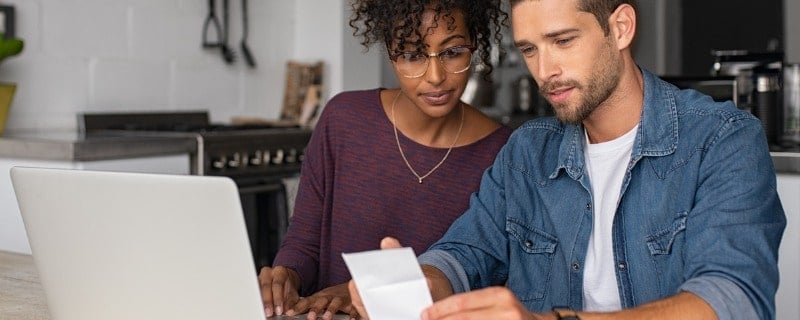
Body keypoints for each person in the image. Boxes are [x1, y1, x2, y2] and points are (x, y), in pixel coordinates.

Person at [349, 0, 787, 319]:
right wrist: (423, 282)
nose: (545, 71)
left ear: (620, 28)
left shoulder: (722, 139)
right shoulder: (527, 152)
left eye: (562, 41)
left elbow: (733, 300)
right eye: (530, 49)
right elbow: (466, 251)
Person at [258, 1, 512, 319]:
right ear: (391, 54)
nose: (435, 76)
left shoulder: (505, 153)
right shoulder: (343, 120)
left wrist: (363, 293)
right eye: (412, 55)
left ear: (474, 44)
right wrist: (286, 276)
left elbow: (482, 276)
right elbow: (305, 241)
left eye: (453, 52)